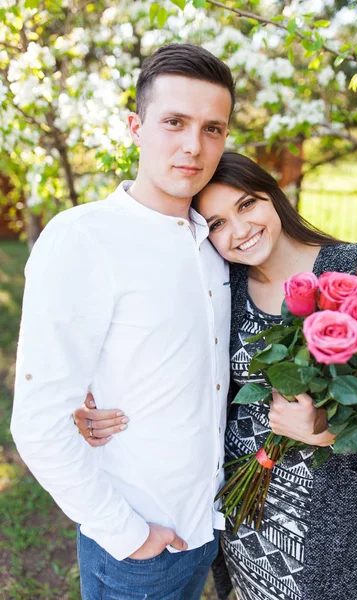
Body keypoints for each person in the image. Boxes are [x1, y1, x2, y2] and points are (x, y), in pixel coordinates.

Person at [76, 152, 357, 600]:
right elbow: (171, 358)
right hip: (240, 504)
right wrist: (91, 396)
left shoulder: (353, 273)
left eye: (247, 205)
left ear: (273, 197)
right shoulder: (224, 283)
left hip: (322, 517)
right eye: (216, 223)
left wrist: (329, 433)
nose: (239, 231)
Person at [11, 43, 236, 600]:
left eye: (213, 128)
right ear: (136, 126)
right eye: (175, 122)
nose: (194, 145)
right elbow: (37, 423)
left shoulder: (216, 244)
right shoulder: (84, 238)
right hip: (137, 547)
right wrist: (129, 536)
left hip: (206, 529)